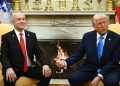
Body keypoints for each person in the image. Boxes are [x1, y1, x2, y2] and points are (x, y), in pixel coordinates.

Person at [56, 14, 120, 86]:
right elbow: (78, 54)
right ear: (94, 26)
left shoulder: (116, 38)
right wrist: (65, 63)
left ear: (108, 23)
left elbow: (114, 61)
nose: (103, 26)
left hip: (109, 69)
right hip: (91, 67)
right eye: (99, 23)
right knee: (73, 77)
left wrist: (99, 76)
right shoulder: (87, 36)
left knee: (112, 82)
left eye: (104, 22)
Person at [0, 12, 52, 86]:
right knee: (8, 81)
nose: (22, 21)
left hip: (29, 68)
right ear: (13, 22)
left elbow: (38, 52)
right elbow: (4, 55)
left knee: (48, 73)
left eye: (23, 19)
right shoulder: (6, 37)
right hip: (13, 68)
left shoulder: (31, 35)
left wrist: (45, 65)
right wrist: (8, 68)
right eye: (18, 19)